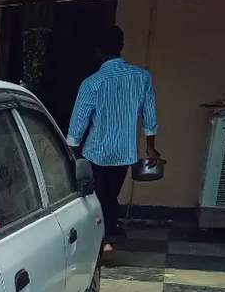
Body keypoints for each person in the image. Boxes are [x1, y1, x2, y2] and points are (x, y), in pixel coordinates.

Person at [67, 25, 161, 257]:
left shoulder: (92, 83)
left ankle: (104, 241)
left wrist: (70, 151)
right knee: (110, 195)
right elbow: (150, 115)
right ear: (121, 47)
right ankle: (109, 236)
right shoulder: (142, 77)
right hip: (124, 153)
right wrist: (150, 147)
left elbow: (79, 122)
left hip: (96, 152)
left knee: (98, 197)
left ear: (98, 51)